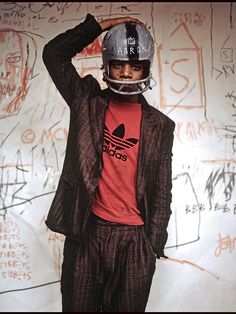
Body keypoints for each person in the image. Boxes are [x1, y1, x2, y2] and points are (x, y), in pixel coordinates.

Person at [42, 13, 175, 312]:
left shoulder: (161, 125)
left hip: (134, 241)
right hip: (88, 233)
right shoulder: (86, 102)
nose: (126, 73)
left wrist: (150, 246)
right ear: (106, 65)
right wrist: (98, 26)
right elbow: (54, 54)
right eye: (118, 64)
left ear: (147, 67)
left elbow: (162, 189)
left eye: (135, 65)